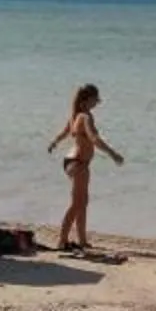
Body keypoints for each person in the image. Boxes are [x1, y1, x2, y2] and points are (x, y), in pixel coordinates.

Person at [44, 83, 124, 252]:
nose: (97, 103)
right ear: (87, 100)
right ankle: (62, 240)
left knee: (82, 202)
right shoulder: (85, 117)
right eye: (96, 100)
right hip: (78, 163)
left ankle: (82, 240)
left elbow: (65, 132)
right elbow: (94, 138)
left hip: (74, 162)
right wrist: (113, 153)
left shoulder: (75, 116)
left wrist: (54, 143)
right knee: (77, 203)